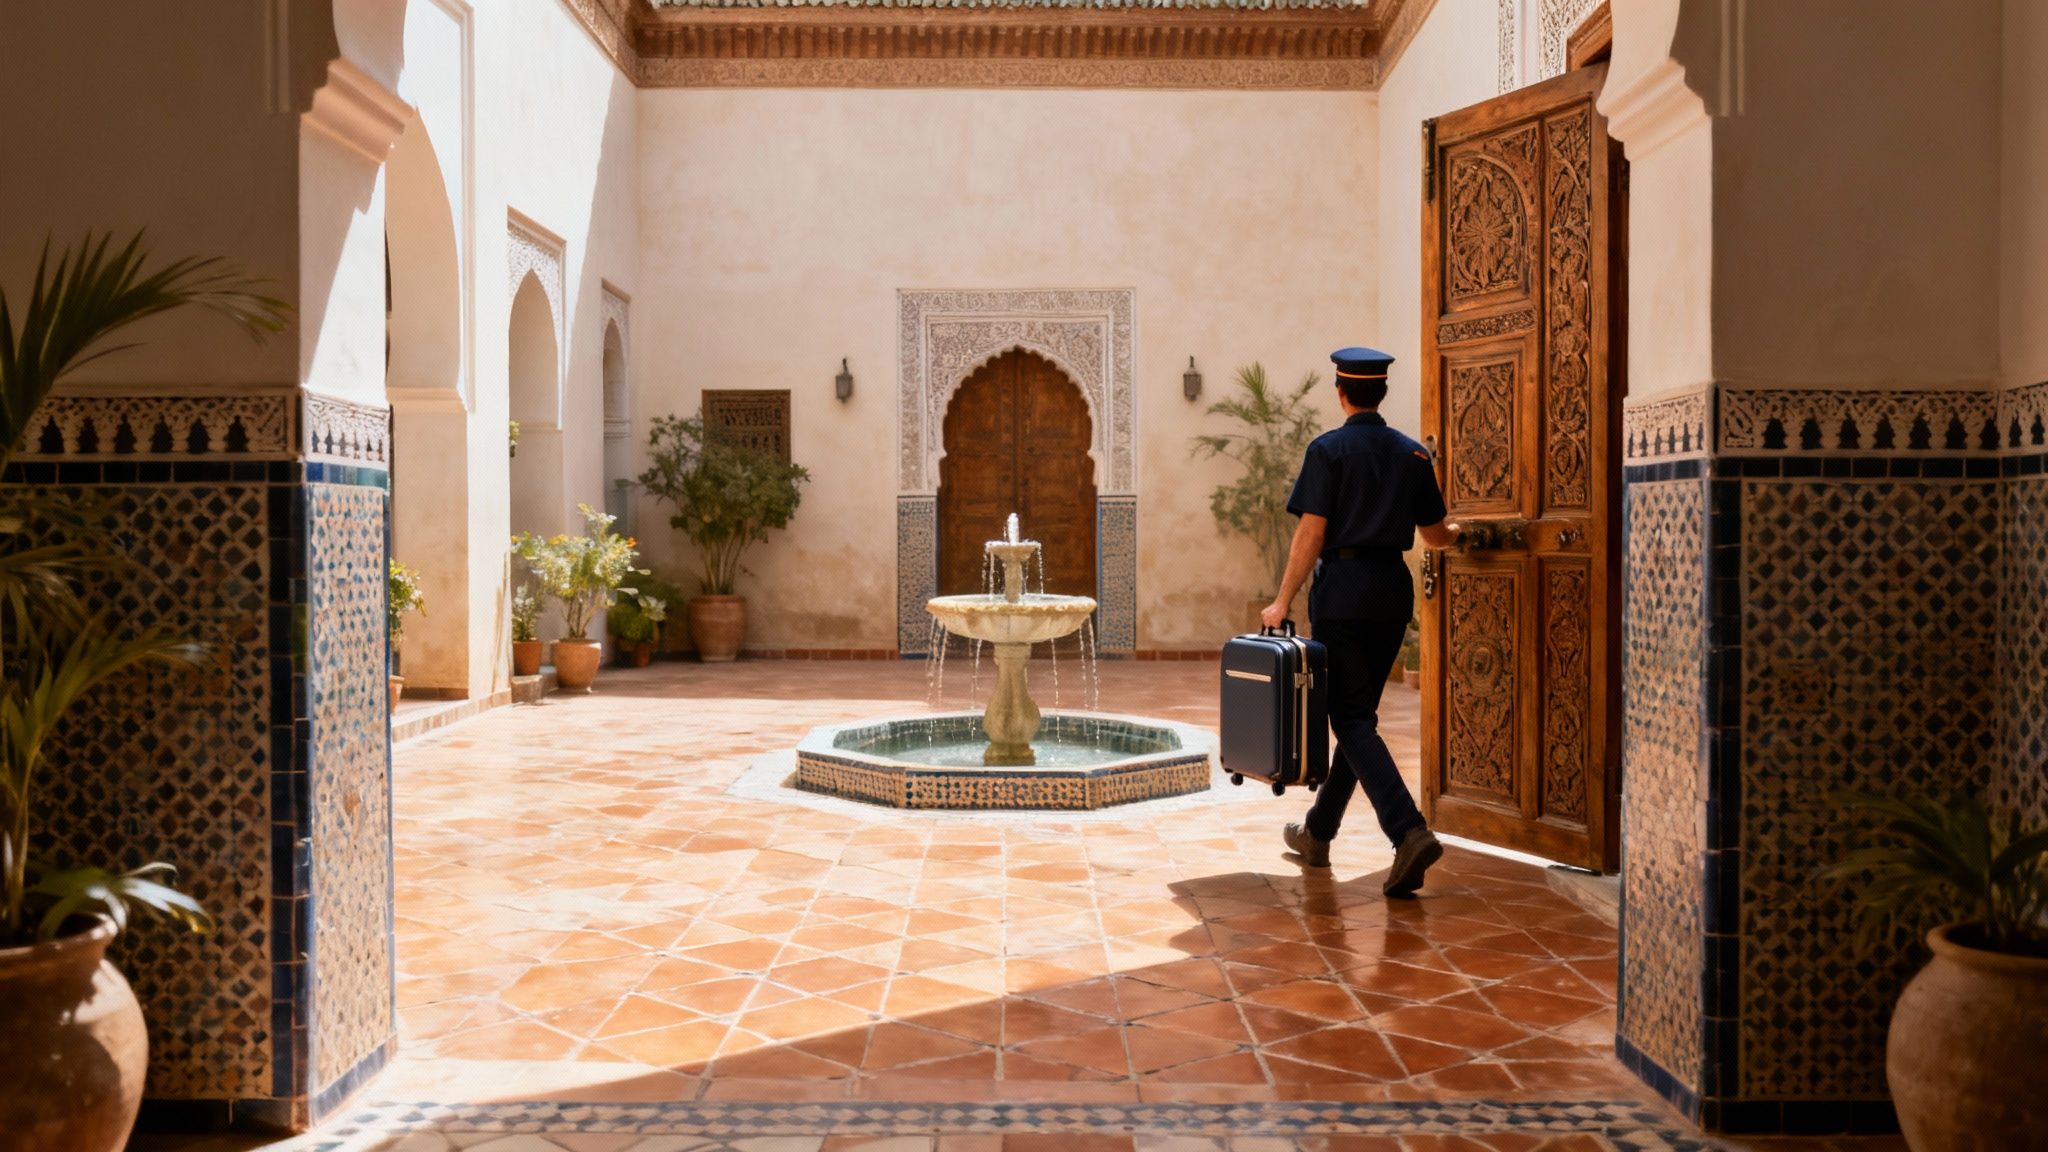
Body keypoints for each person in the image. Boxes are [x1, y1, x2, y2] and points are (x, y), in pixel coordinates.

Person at [1260, 346, 1459, 896]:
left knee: (1348, 717)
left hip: (1343, 592)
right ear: (1383, 393)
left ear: (1341, 392)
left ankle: (1408, 830)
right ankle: (1318, 833)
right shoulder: (1414, 456)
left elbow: (1311, 533)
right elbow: (1437, 536)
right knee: (1360, 715)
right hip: (1393, 592)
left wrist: (1282, 601)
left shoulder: (1328, 451)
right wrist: (1466, 536)